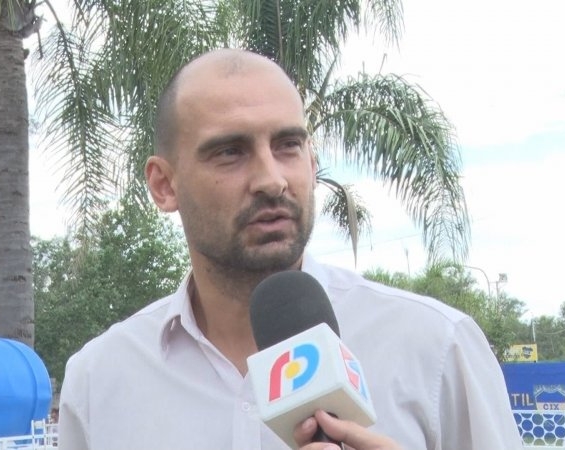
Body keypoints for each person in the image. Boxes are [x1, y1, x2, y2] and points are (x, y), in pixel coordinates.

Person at [57, 48, 523, 450]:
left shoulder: (438, 347)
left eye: (287, 145)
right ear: (164, 185)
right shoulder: (100, 380)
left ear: (312, 161)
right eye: (230, 152)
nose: (272, 179)